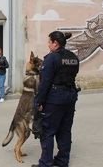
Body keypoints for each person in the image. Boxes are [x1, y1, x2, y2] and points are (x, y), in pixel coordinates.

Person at [31, 31, 80, 167]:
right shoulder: (74, 57)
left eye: (49, 42)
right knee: (64, 130)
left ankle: (46, 163)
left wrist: (39, 102)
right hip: (70, 96)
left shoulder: (51, 58)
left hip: (55, 98)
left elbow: (44, 82)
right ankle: (63, 160)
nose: (48, 45)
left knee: (47, 131)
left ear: (55, 43)